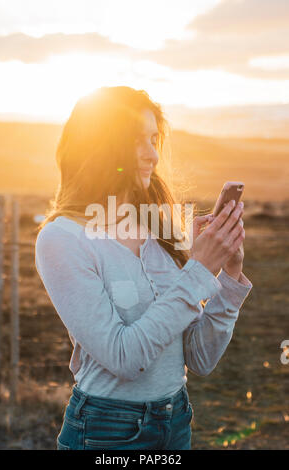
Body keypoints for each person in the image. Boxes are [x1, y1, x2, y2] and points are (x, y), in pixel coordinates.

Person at [35, 86, 253, 450]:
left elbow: (199, 358)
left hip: (176, 419)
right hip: (106, 431)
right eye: (138, 140)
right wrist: (199, 269)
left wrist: (227, 275)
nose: (153, 154)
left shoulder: (160, 230)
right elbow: (125, 357)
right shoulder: (62, 239)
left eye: (154, 139)